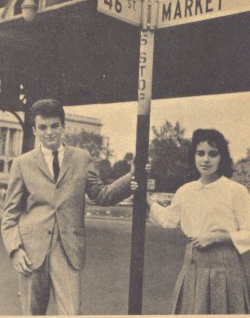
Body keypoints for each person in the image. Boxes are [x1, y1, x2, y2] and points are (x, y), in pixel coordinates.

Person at [1, 98, 134, 315]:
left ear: (63, 126)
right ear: (34, 130)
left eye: (54, 126)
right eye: (42, 127)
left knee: (71, 312)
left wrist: (133, 176)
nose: (49, 132)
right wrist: (15, 250)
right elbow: (9, 215)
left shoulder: (81, 159)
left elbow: (101, 195)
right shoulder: (22, 164)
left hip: (68, 250)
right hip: (30, 252)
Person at [131, 128, 250, 314]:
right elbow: (167, 219)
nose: (205, 160)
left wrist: (218, 237)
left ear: (222, 157)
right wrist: (144, 195)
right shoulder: (186, 191)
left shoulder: (236, 191)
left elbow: (248, 233)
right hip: (193, 265)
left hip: (225, 269)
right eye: (200, 153)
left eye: (213, 154)